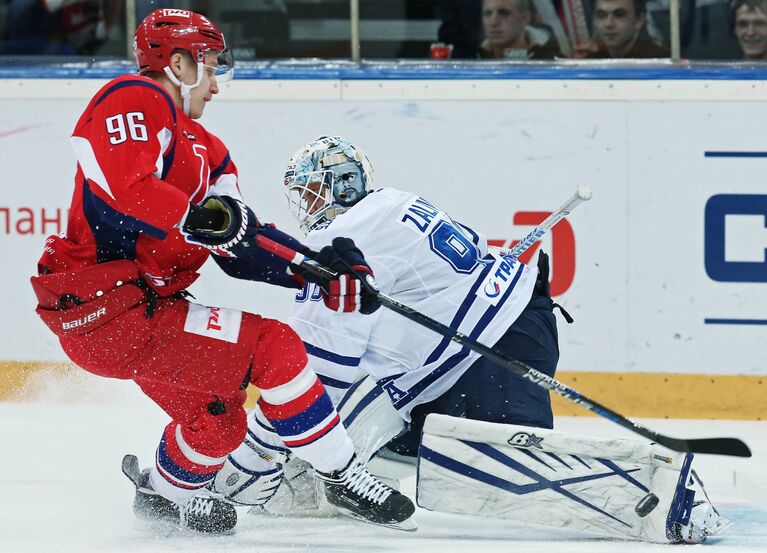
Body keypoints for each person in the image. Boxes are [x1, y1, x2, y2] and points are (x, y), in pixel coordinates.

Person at [212, 136, 730, 544]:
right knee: (387, 424)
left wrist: (254, 452)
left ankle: (664, 495)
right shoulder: (397, 203)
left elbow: (315, 372)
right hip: (523, 322)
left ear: (334, 187)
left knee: (505, 472)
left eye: (308, 191)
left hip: (480, 364)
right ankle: (316, 472)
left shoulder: (338, 241)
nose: (305, 206)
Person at [29, 10, 414, 534]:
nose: (215, 86)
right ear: (179, 61)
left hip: (145, 315)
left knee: (218, 422)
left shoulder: (211, 154)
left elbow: (241, 244)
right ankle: (344, 474)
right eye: (209, 67)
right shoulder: (134, 97)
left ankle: (162, 496)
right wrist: (197, 215)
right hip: (105, 309)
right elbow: (128, 186)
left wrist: (319, 270)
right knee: (275, 346)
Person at [582, 0, 669, 58]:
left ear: (639, 20)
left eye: (619, 14)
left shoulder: (659, 62)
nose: (608, 24)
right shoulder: (591, 62)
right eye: (601, 15)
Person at [479, 0, 562, 59]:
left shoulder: (553, 61)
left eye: (504, 13)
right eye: (487, 13)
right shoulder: (473, 57)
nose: (493, 22)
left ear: (525, 18)